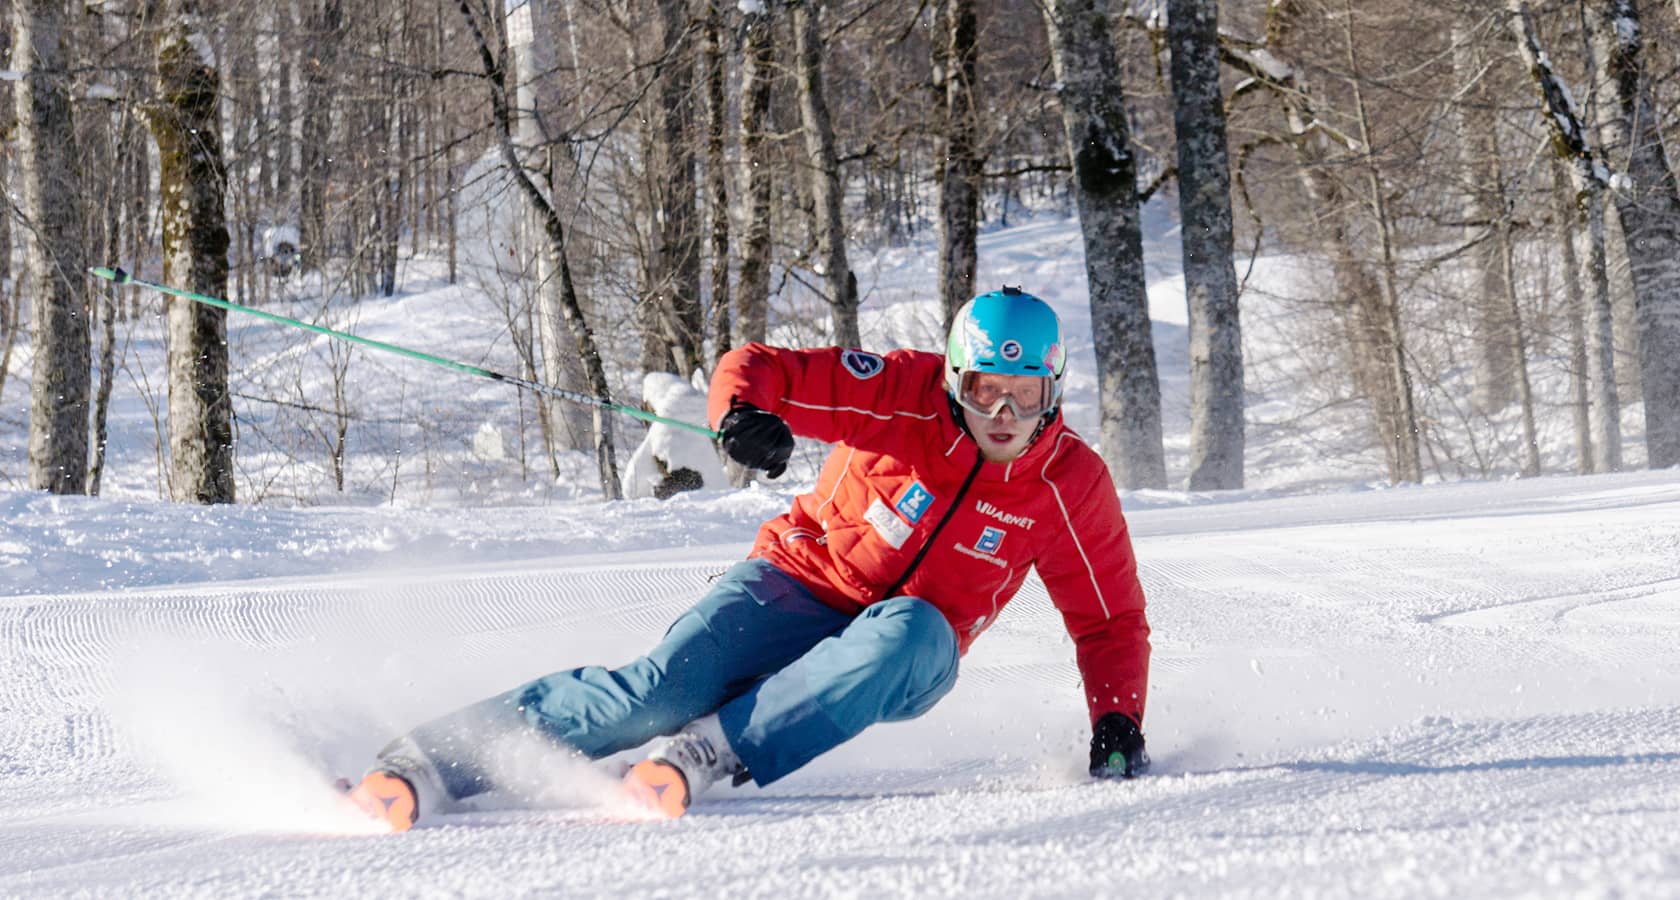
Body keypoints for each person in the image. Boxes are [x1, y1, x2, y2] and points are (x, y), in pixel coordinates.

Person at [348, 287, 1152, 831]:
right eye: (984, 391)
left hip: (909, 646)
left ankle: (714, 750)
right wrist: (742, 415)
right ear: (952, 379)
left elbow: (1109, 618)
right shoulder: (898, 394)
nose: (1004, 414)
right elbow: (763, 368)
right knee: (657, 692)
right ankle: (429, 760)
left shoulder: (1067, 482)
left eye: (1025, 394)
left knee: (907, 629)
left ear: (1055, 389)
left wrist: (1117, 719)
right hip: (796, 581)